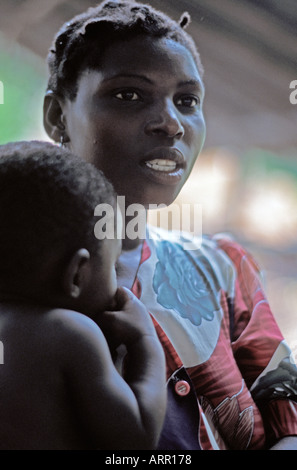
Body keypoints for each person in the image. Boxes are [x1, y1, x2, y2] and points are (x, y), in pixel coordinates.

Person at [43, 1, 297, 450]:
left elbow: (289, 423)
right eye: (129, 94)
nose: (171, 123)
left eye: (187, 101)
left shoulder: (223, 267)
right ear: (57, 117)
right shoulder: (23, 279)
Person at [0, 140, 166, 450]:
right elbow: (137, 440)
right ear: (77, 274)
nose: (117, 279)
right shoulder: (69, 332)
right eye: (113, 265)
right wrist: (145, 341)